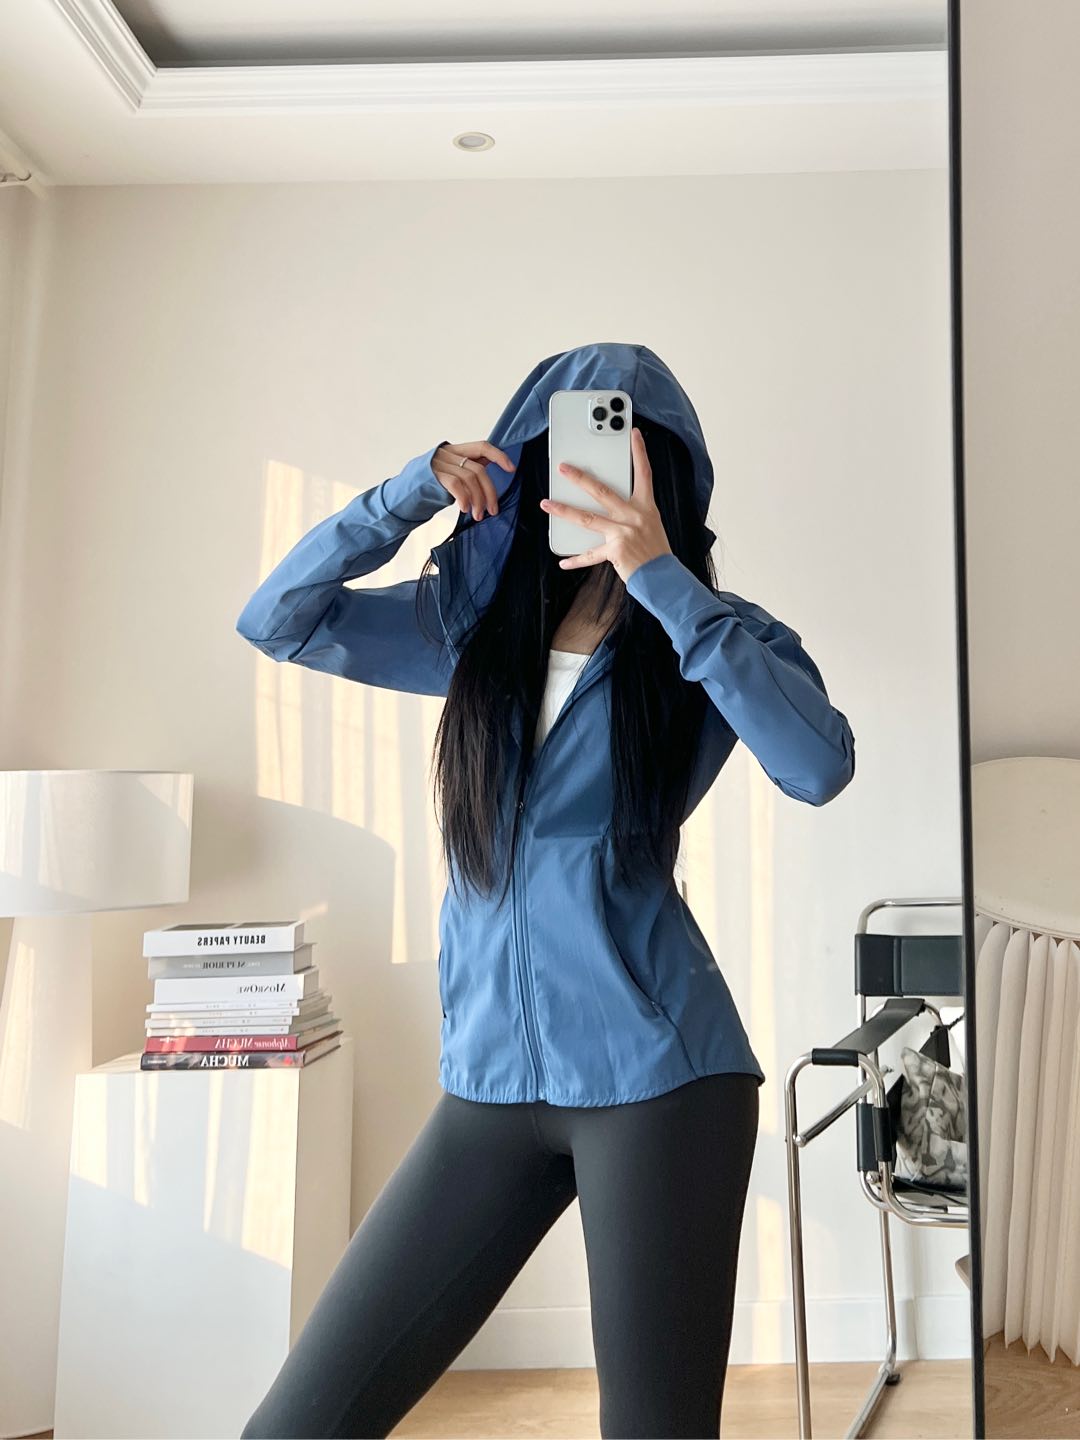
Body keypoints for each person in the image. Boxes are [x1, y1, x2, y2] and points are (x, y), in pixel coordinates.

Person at [234, 342, 856, 1439]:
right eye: (566, 448)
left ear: (666, 475)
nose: (591, 473)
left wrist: (660, 578)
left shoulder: (714, 640)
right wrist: (409, 491)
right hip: (490, 1082)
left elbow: (818, 766)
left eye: (620, 453)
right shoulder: (476, 635)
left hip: (660, 1081)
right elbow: (278, 619)